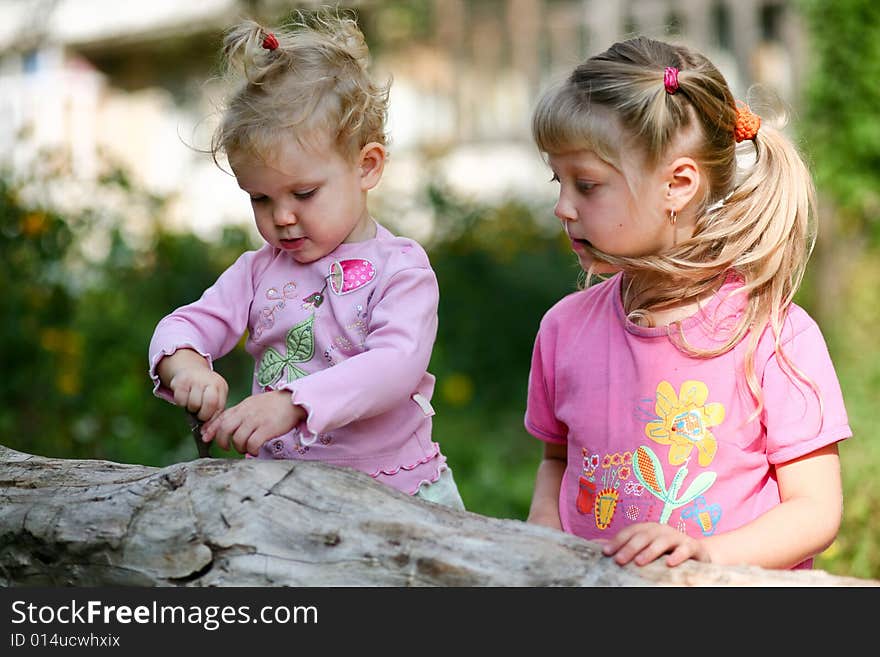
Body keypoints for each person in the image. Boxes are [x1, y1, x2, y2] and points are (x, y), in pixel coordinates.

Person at [524, 36, 851, 569]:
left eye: (587, 184)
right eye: (558, 180)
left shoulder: (774, 335)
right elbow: (556, 462)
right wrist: (543, 539)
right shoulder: (564, 329)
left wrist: (705, 557)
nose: (562, 207)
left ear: (677, 184)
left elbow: (815, 511)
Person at [148, 9, 464, 511]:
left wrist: (293, 404)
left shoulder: (400, 270)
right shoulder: (257, 272)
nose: (283, 218)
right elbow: (183, 324)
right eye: (261, 199)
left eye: (304, 193)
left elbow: (394, 366)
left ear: (367, 166)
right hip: (283, 496)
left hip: (394, 494)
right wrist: (185, 366)